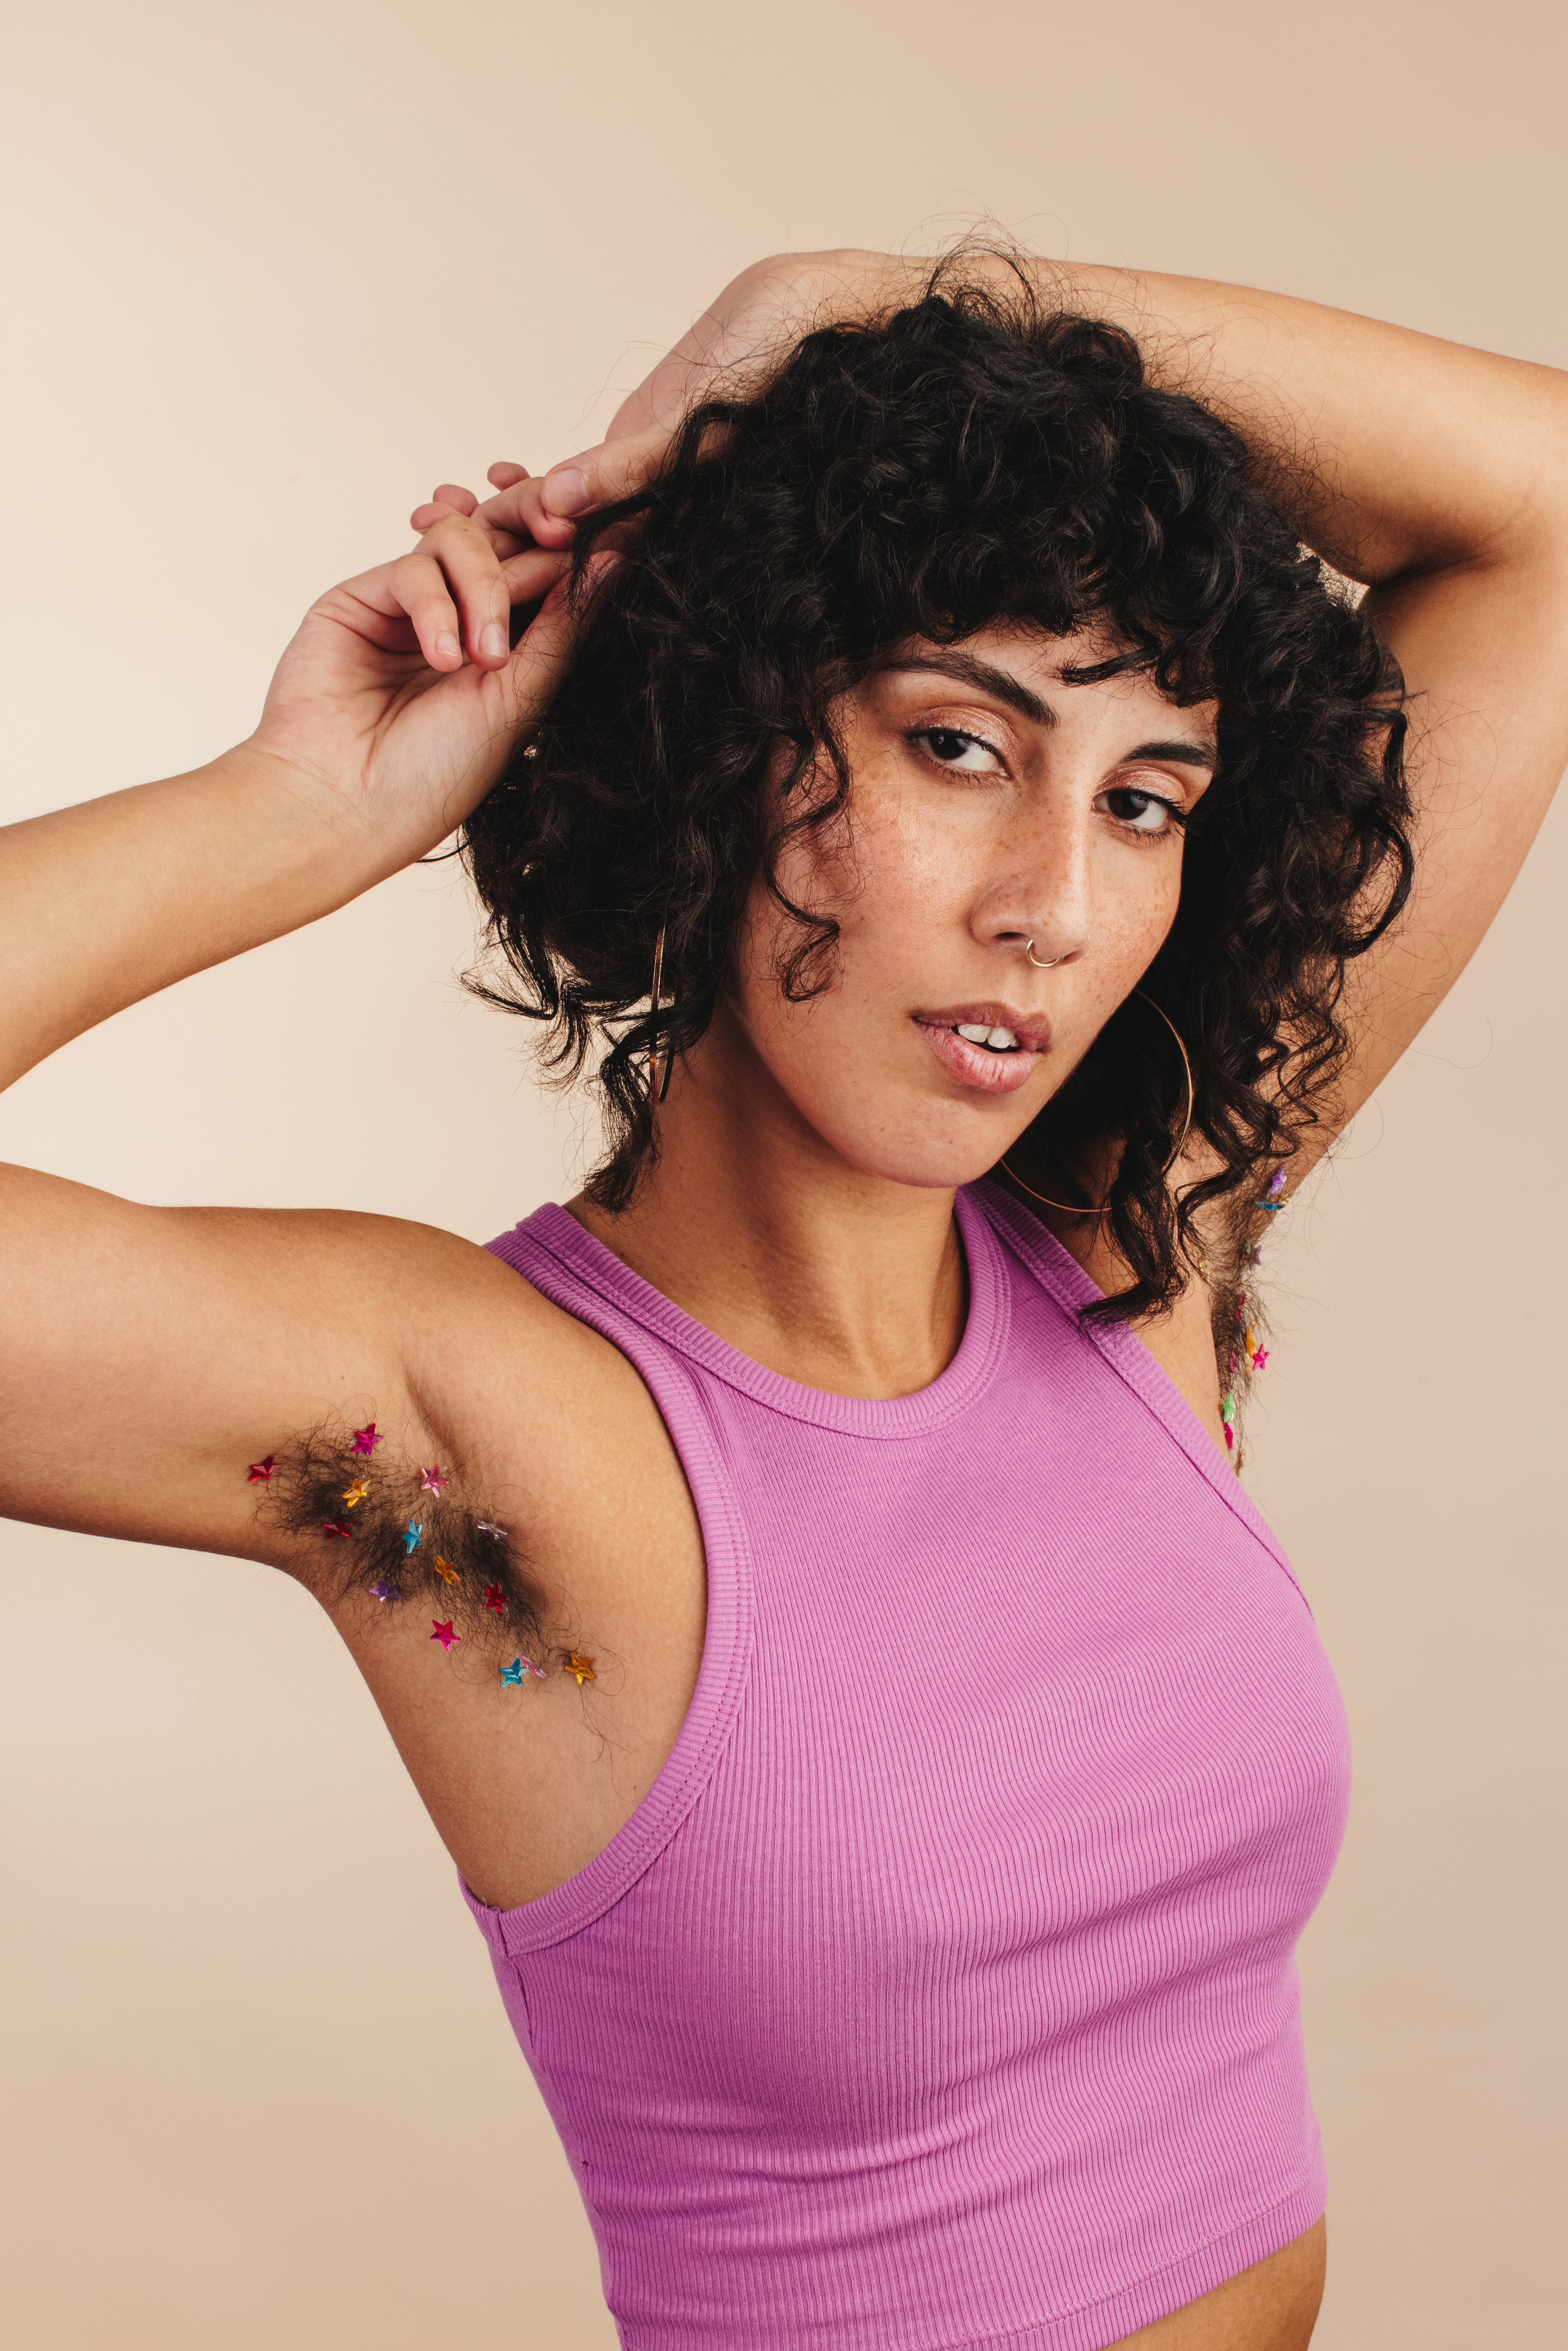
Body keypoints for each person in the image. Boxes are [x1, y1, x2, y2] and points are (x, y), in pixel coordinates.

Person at [2, 248, 1563, 2351]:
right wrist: (293, 812)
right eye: (954, 745)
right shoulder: (495, 1446)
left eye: (1142, 801)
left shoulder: (1142, 1248)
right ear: (729, 744)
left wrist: (856, 299)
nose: (1052, 907)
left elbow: (1542, 505)